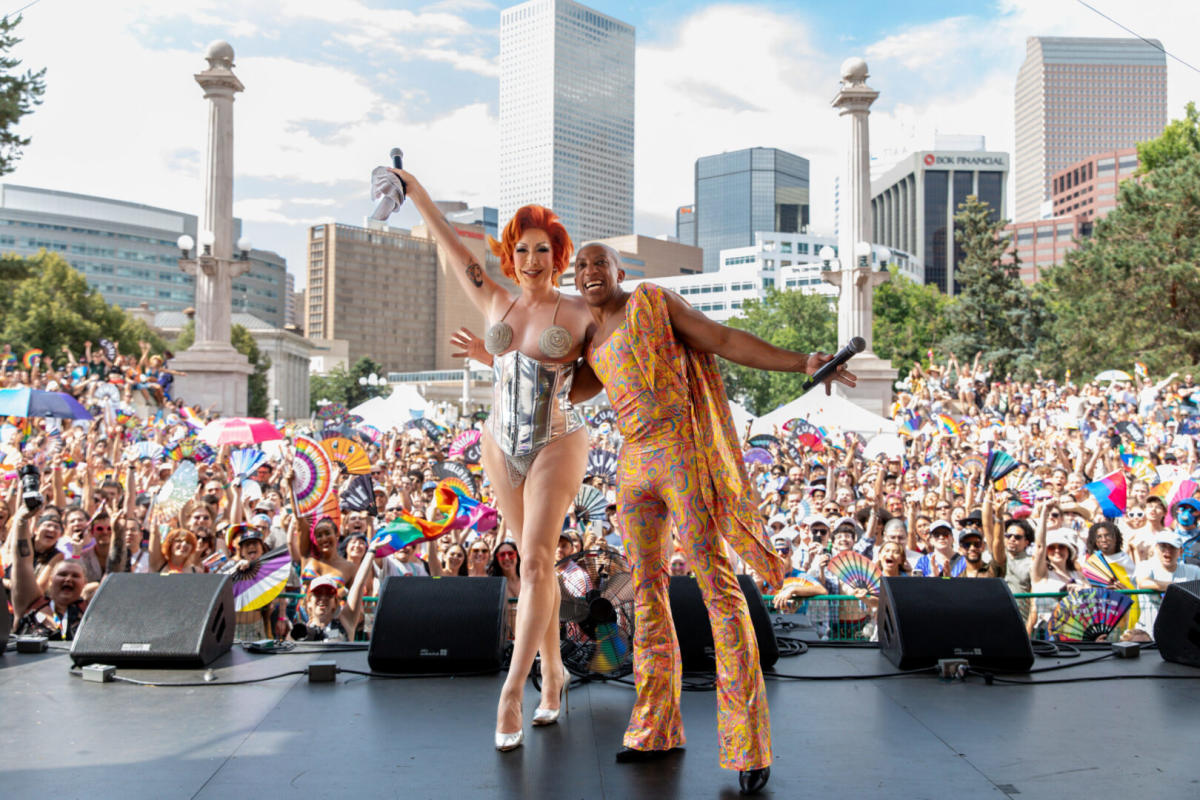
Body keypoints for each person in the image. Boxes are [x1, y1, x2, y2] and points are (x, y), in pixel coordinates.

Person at [544, 242, 854, 794]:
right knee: (644, 591)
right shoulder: (588, 344)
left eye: (599, 263)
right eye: (581, 267)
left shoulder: (653, 302)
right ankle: (654, 728)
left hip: (682, 453)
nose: (589, 271)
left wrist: (802, 363)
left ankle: (748, 744)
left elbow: (724, 339)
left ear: (619, 271)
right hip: (633, 468)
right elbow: (555, 387)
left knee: (717, 586)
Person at [394, 167, 587, 751]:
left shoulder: (581, 314)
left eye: (542, 249)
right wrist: (417, 193)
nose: (531, 258)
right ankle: (554, 673)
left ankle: (512, 691)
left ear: (559, 255)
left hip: (557, 440)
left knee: (534, 563)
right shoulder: (496, 301)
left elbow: (601, 377)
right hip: (499, 446)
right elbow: (454, 248)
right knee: (538, 569)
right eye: (521, 248)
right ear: (509, 255)